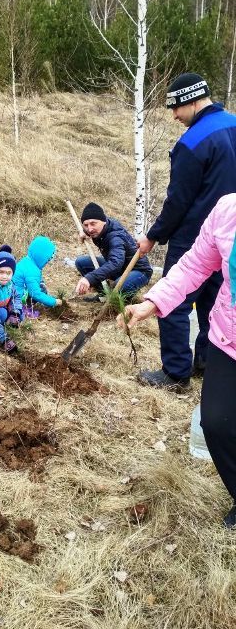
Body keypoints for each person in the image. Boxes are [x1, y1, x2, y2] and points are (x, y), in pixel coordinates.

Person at [119, 194, 236, 527]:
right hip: (228, 341)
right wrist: (153, 302)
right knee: (216, 424)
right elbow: (195, 264)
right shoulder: (228, 210)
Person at [137, 73, 236, 390]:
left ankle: (176, 373)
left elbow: (177, 200)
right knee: (216, 299)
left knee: (175, 303)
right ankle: (209, 361)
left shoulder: (192, 142)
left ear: (193, 101)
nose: (175, 116)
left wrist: (154, 235)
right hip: (229, 236)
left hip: (195, 236)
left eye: (177, 108)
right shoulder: (233, 125)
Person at [74, 202, 152, 301]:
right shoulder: (100, 229)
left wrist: (89, 278)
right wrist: (84, 232)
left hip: (138, 271)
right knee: (81, 262)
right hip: (119, 268)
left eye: (93, 224)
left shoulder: (116, 236)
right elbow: (90, 229)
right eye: (86, 225)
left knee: (119, 287)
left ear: (104, 221)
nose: (90, 229)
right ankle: (104, 296)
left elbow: (115, 263)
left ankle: (122, 301)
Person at [13, 235, 63, 318]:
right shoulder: (32, 271)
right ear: (41, 256)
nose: (47, 261)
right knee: (40, 291)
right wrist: (54, 302)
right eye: (47, 259)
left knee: (41, 286)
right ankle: (23, 309)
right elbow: (35, 294)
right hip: (16, 298)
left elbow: (35, 280)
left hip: (13, 292)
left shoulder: (27, 261)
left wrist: (41, 283)